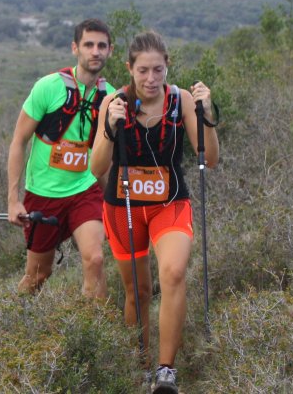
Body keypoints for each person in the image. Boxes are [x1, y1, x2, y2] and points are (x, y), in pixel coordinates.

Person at [91, 30, 219, 394]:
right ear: (129, 69)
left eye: (158, 70)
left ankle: (166, 372)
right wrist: (109, 128)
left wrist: (206, 114)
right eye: (143, 71)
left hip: (169, 202)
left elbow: (209, 158)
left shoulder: (181, 100)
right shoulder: (112, 102)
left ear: (168, 67)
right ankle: (140, 365)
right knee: (139, 292)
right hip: (123, 205)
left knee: (174, 273)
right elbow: (96, 168)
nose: (151, 79)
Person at [6, 18, 114, 298]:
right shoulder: (48, 87)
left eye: (102, 46)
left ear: (110, 51)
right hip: (43, 194)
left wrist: (114, 202)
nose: (95, 51)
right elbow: (19, 142)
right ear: (74, 48)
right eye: (88, 45)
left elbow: (105, 158)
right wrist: (13, 200)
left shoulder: (111, 98)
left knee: (96, 259)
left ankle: (94, 334)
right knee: (39, 275)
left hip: (84, 190)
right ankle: (10, 323)